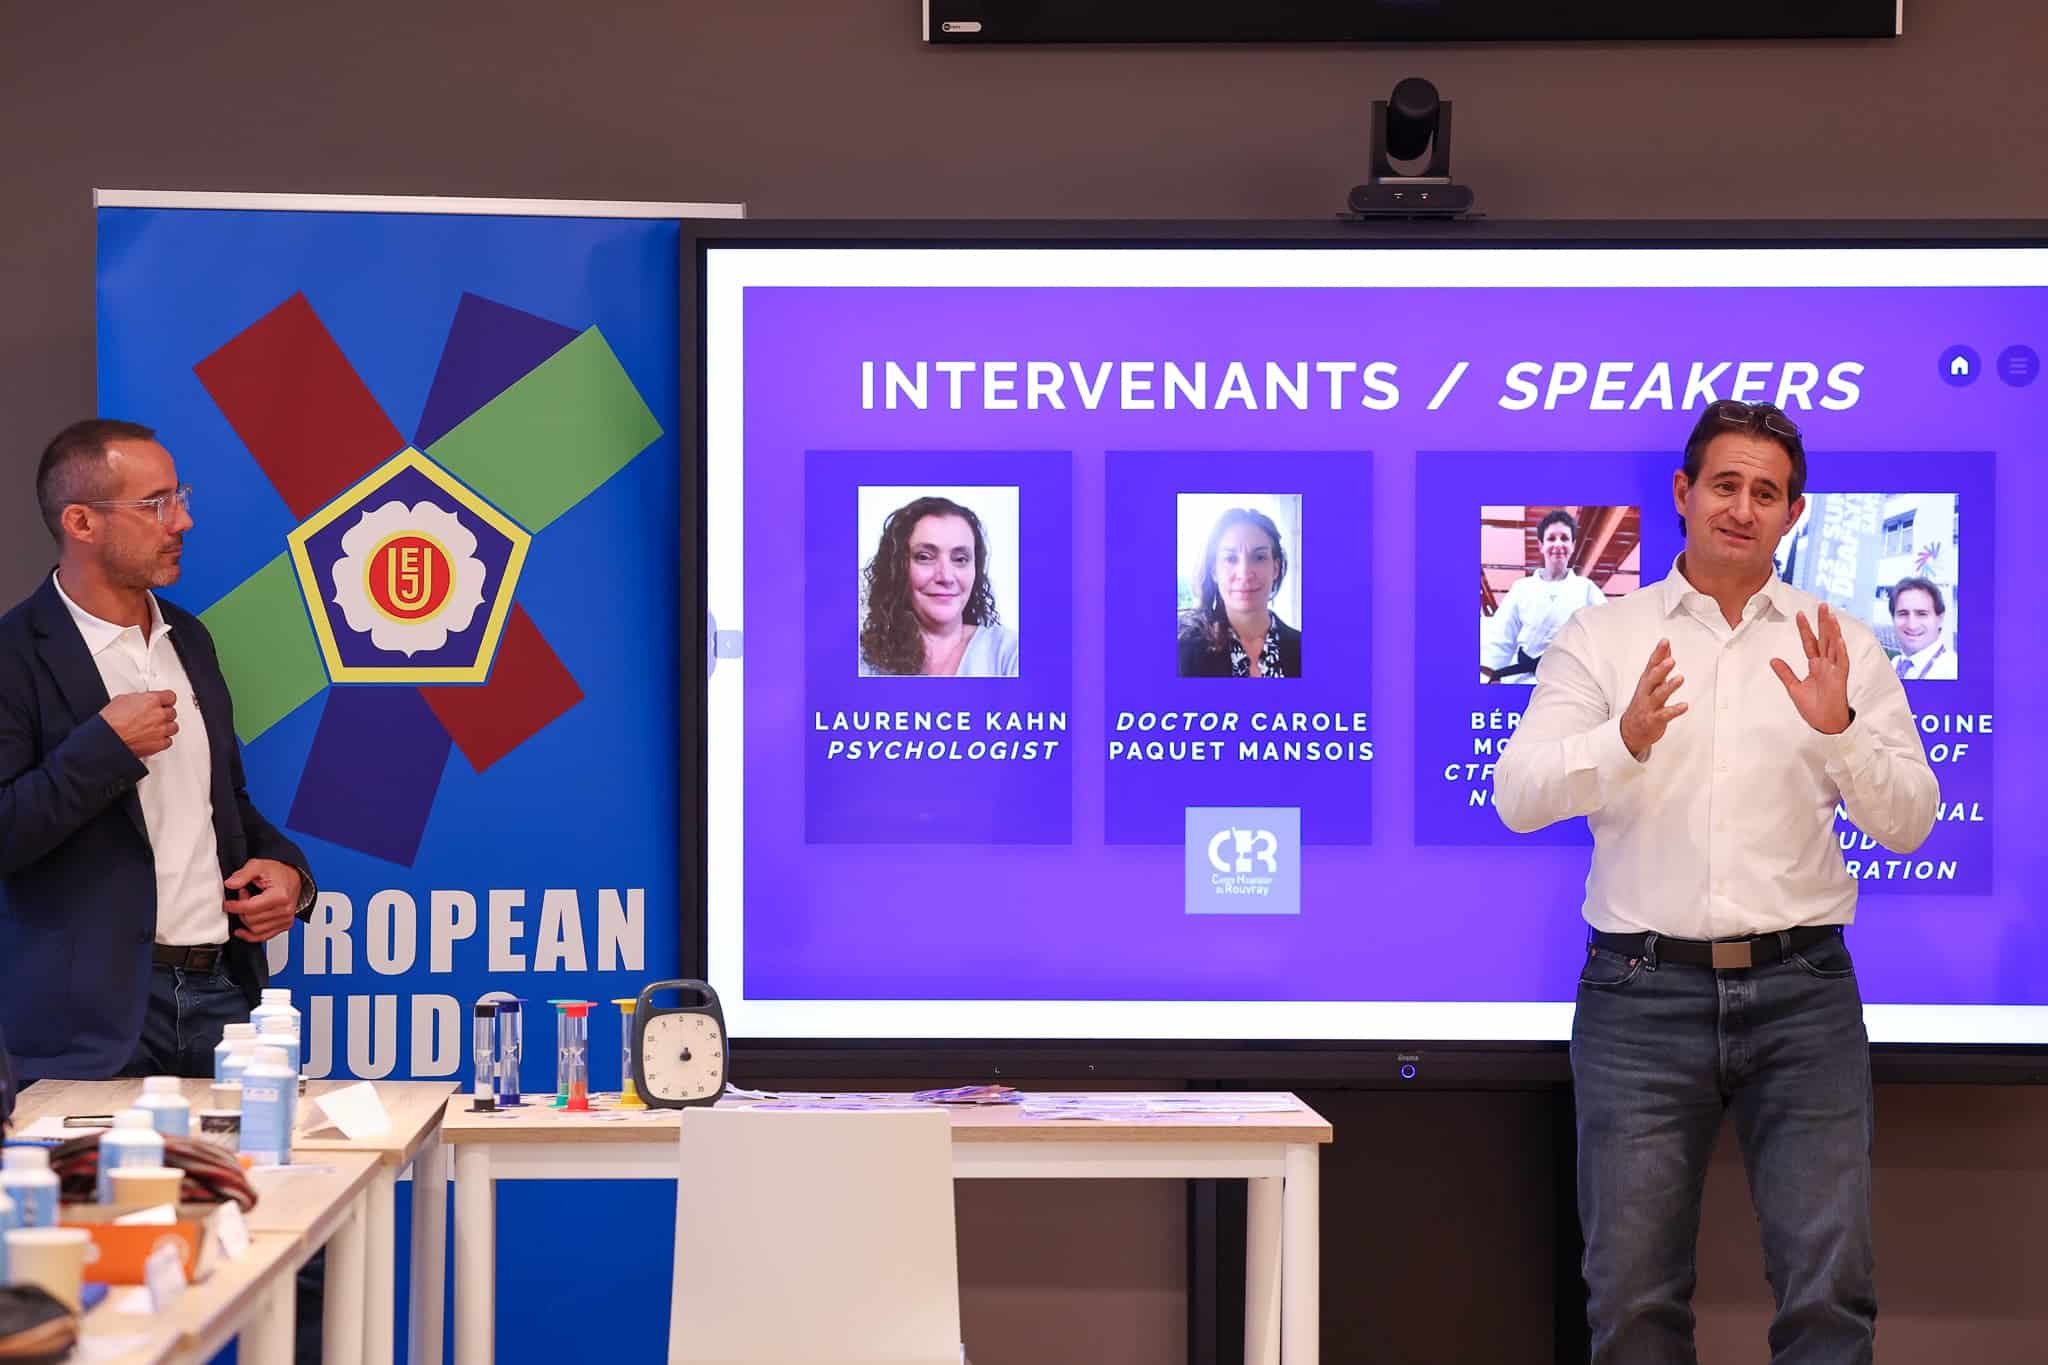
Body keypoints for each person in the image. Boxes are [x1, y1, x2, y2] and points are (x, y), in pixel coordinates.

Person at [1494, 399, 1938, 1363]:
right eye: (1725, 485)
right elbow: (1517, 796)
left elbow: (1909, 821)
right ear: (1683, 493)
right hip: (1638, 997)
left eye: (1766, 493)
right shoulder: (1603, 637)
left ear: (1794, 514)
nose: (1742, 508)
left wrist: (1839, 730)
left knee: (1830, 1300)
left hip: (1804, 994)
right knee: (1632, 1303)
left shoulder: (1841, 643)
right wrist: (1623, 738)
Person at [0, 420, 316, 1083]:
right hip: (88, 1025)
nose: (183, 521)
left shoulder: (189, 639)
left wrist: (290, 873)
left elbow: (223, 802)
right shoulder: (13, 656)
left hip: (222, 999)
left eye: (180, 497)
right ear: (81, 522)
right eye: (156, 504)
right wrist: (104, 748)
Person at [858, 495, 1019, 677]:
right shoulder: (860, 660)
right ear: (897, 568)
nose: (946, 577)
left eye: (960, 559)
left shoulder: (1010, 653)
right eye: (924, 557)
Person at [1482, 508, 1607, 683]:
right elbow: (1502, 635)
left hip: (1570, 680)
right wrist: (1489, 671)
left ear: (1572, 545)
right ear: (1541, 545)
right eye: (1551, 538)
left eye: (1565, 538)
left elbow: (1606, 631)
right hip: (1524, 678)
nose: (1558, 544)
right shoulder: (1522, 588)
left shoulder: (1587, 589)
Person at [1177, 507, 1302, 678]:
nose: (1244, 573)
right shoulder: (1181, 650)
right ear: (1214, 571)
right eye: (1230, 559)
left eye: (1259, 557)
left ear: (1275, 568)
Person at [1888, 576, 1957, 680]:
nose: (1912, 625)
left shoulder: (1952, 671)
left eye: (1922, 614)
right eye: (1903, 613)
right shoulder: (1893, 665)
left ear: (1940, 619)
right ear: (1893, 618)